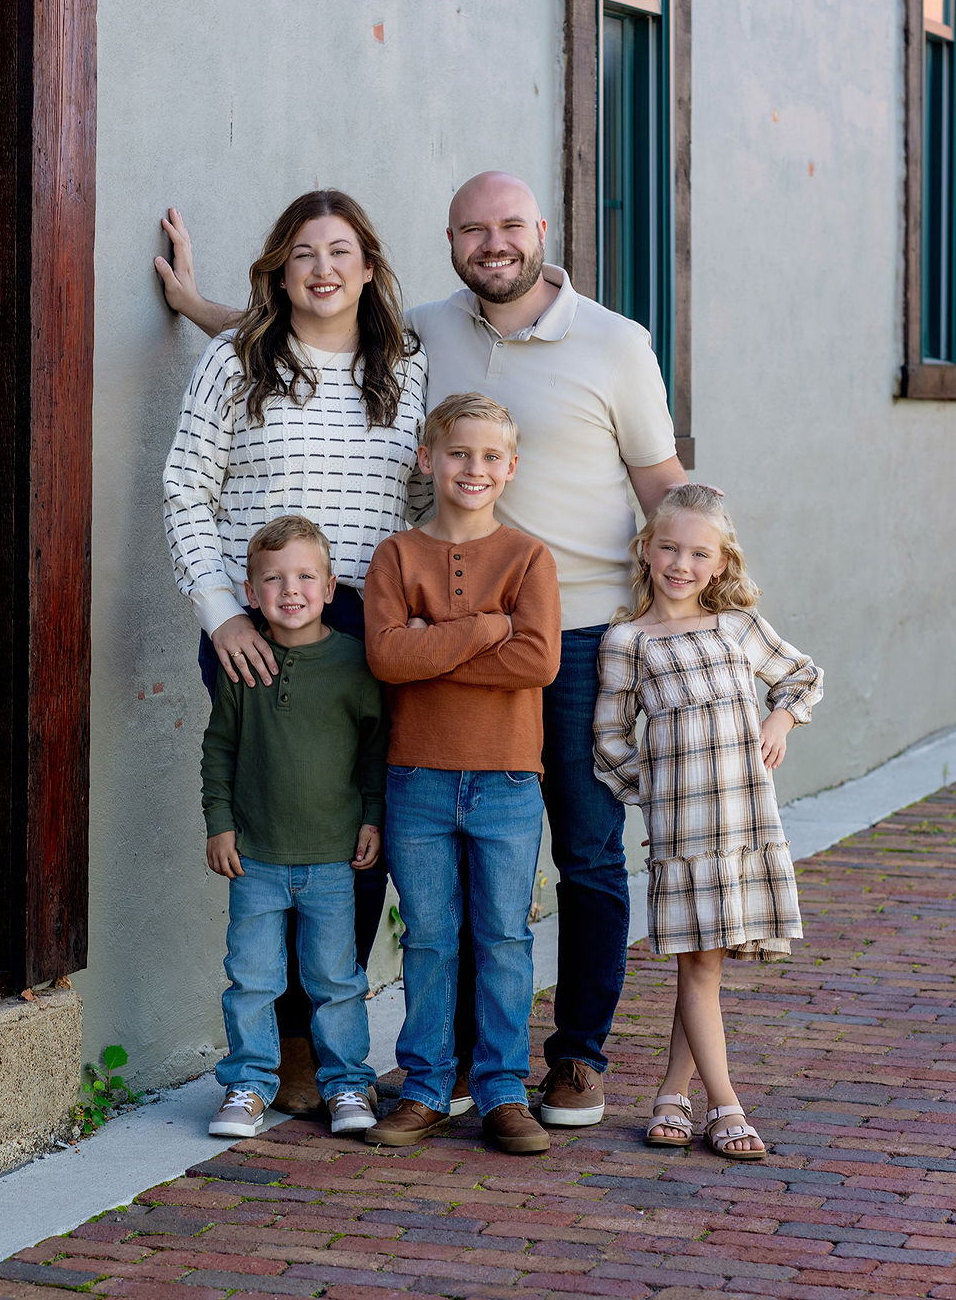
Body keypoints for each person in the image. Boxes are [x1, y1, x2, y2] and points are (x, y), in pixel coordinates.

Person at [156, 170, 692, 1125]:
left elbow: (658, 481)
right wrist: (200, 306)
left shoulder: (532, 350)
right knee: (317, 838)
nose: (325, 271)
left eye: (343, 255)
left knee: (490, 846)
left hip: (482, 627)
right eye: (473, 229)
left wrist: (707, 599)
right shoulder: (345, 349)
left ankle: (547, 1057)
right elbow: (255, 391)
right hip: (319, 628)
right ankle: (314, 1051)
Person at [163, 190, 429, 1114]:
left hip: (370, 627)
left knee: (358, 837)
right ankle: (274, 1047)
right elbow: (186, 489)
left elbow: (428, 503)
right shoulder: (238, 362)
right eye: (304, 253)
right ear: (280, 268)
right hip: (258, 628)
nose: (324, 268)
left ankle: (325, 1038)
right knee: (271, 829)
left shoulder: (405, 368)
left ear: (368, 267)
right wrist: (219, 615)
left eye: (342, 251)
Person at [592, 484, 823, 1159]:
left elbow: (801, 675)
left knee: (706, 970)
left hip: (746, 824)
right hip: (683, 834)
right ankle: (727, 1106)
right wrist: (658, 789)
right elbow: (609, 742)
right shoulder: (628, 640)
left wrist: (780, 716)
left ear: (720, 562)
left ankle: (672, 1093)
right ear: (646, 549)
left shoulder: (739, 626)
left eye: (698, 552)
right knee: (699, 969)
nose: (681, 563)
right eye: (669, 547)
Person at [362, 394, 561, 1154]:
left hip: (508, 779)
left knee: (504, 937)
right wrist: (485, 628)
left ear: (509, 468)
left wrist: (432, 647)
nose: (472, 469)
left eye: (489, 457)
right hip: (417, 778)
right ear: (427, 459)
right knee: (430, 937)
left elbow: (537, 659)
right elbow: (388, 657)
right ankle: (425, 1086)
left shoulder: (528, 556)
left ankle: (504, 1089)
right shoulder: (396, 556)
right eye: (457, 453)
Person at [204, 515, 387, 1139]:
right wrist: (219, 824)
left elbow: (373, 754)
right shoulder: (242, 665)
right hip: (255, 857)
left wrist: (372, 818)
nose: (291, 590)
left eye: (306, 576)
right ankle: (249, 1084)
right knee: (252, 979)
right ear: (249, 592)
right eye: (273, 579)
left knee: (336, 981)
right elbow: (219, 750)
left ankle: (346, 1085)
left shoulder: (354, 664)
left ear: (331, 586)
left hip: (333, 858)